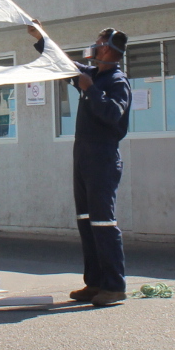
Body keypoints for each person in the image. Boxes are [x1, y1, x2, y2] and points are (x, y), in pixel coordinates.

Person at [27, 25, 134, 307]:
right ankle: (95, 282)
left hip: (103, 159)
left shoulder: (116, 81)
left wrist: (91, 90)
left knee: (103, 222)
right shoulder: (92, 74)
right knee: (86, 222)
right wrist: (42, 38)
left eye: (99, 42)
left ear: (109, 49)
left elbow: (113, 114)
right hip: (84, 158)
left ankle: (114, 286)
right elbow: (63, 63)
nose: (94, 45)